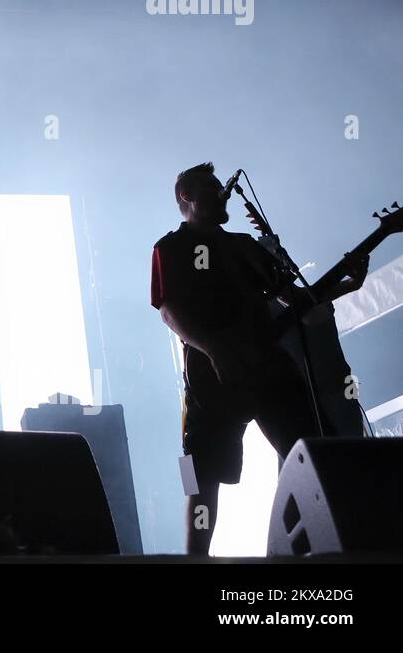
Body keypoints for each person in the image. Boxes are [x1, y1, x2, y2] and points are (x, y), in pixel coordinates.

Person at [151, 162, 367, 554]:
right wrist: (213, 349)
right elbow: (169, 310)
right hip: (209, 376)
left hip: (269, 366)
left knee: (315, 450)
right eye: (213, 187)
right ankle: (194, 559)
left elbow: (295, 300)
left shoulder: (245, 247)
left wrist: (348, 285)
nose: (224, 193)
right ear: (187, 196)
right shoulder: (169, 247)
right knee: (198, 474)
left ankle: (311, 548)